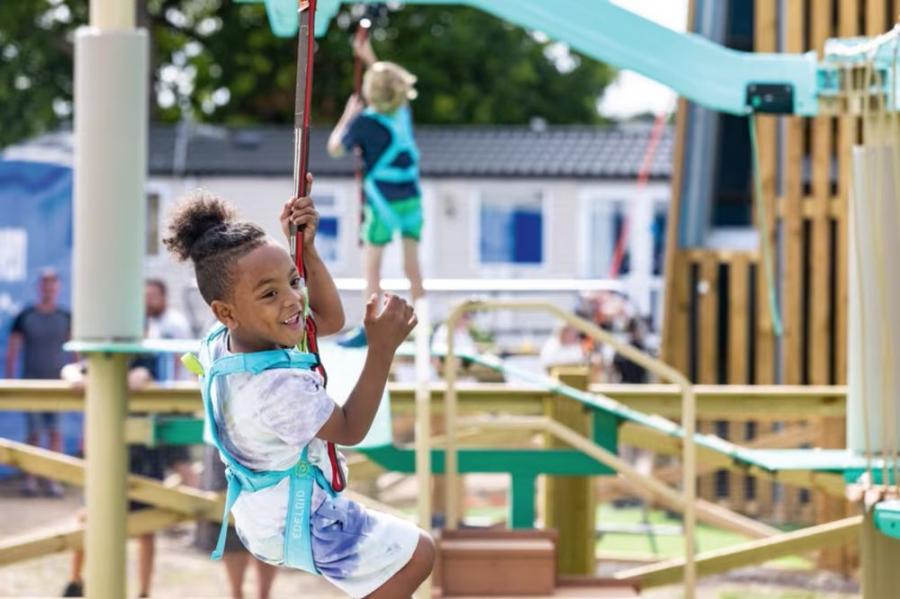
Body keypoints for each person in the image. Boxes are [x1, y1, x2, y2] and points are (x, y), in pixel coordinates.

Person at [163, 177, 434, 598]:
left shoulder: (224, 343)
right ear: (226, 311)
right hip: (300, 519)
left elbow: (326, 319)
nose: (292, 300)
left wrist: (305, 251)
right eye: (270, 293)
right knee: (419, 553)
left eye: (293, 280)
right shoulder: (274, 387)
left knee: (404, 558)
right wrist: (381, 350)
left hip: (263, 511)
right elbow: (350, 428)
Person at [328, 36, 425, 347]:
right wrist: (370, 57)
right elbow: (390, 84)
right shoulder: (402, 113)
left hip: (381, 203)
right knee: (412, 266)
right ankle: (424, 326)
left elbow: (334, 149)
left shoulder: (363, 122)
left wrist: (348, 114)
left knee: (372, 267)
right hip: (410, 200)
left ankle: (371, 328)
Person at [60, 356, 168, 598]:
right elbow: (70, 370)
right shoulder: (101, 359)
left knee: (148, 525)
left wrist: (126, 380)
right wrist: (76, 377)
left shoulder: (144, 360)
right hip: (106, 452)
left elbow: (141, 378)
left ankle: (144, 591)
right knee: (88, 516)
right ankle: (75, 580)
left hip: (143, 455)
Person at [5, 268, 71, 497]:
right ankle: (30, 479)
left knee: (55, 433)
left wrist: (78, 375)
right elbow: (13, 350)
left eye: (53, 284)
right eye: (45, 284)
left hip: (60, 387)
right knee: (34, 434)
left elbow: (76, 354)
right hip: (31, 385)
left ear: (58, 288)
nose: (49, 288)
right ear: (39, 287)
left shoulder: (66, 317)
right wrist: (12, 382)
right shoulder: (25, 317)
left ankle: (53, 480)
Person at [144, 278, 199, 489]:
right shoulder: (154, 323)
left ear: (163, 298)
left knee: (179, 458)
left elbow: (179, 358)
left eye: (152, 297)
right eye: (145, 297)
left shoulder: (173, 322)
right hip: (162, 399)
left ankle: (200, 509)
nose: (148, 301)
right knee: (165, 458)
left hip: (174, 399)